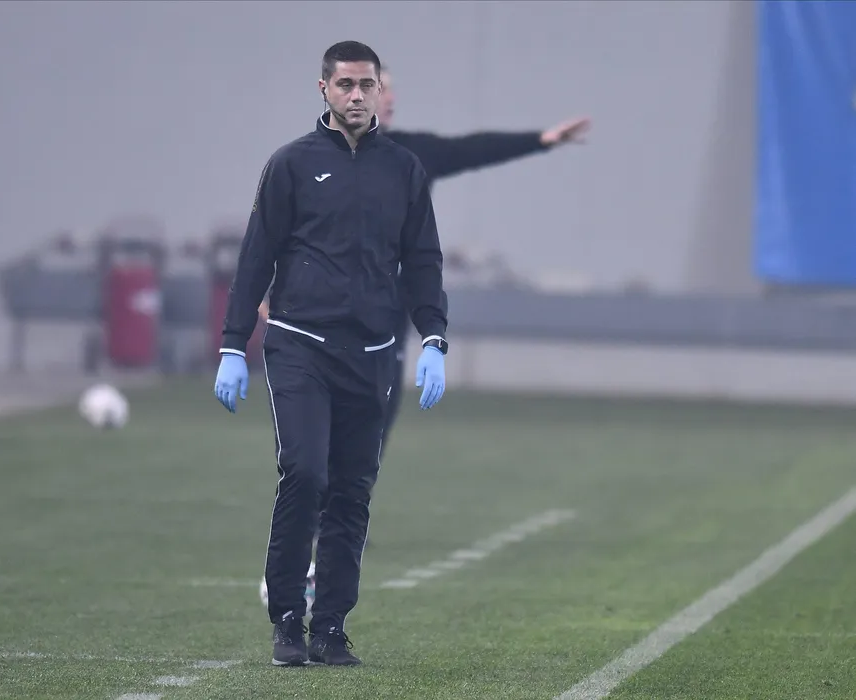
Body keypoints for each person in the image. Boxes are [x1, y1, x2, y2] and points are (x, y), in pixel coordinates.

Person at [213, 41, 449, 668]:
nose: (357, 95)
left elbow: (423, 261)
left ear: (379, 91)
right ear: (324, 89)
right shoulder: (291, 164)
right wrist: (233, 344)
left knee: (351, 491)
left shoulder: (403, 170)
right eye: (345, 84)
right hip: (301, 346)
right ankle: (287, 618)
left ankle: (331, 628)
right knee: (305, 474)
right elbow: (256, 256)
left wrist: (433, 337)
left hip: (372, 355)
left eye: (367, 85)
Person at [375, 66, 591, 458]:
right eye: (381, 89)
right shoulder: (318, 159)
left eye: (390, 89)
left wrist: (541, 140)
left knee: (366, 448)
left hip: (387, 321)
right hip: (329, 319)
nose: (391, 98)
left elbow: (472, 149)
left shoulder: (411, 154)